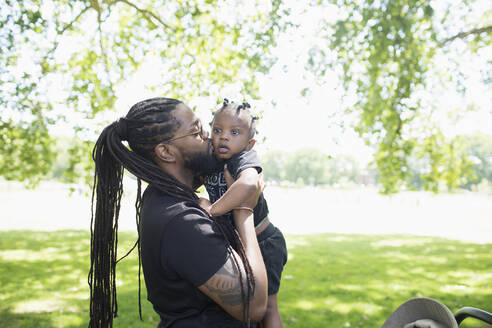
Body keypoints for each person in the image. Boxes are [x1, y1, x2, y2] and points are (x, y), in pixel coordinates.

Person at [88, 97, 268, 328]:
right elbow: (253, 306)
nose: (209, 137)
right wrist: (244, 210)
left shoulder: (162, 197)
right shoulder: (182, 221)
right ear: (166, 152)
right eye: (196, 132)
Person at [198, 99, 288, 328]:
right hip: (242, 241)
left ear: (249, 143)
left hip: (264, 240)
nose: (224, 137)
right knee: (244, 309)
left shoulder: (243, 158)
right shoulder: (213, 159)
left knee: (267, 307)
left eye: (234, 132)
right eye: (217, 130)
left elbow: (248, 185)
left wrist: (212, 210)